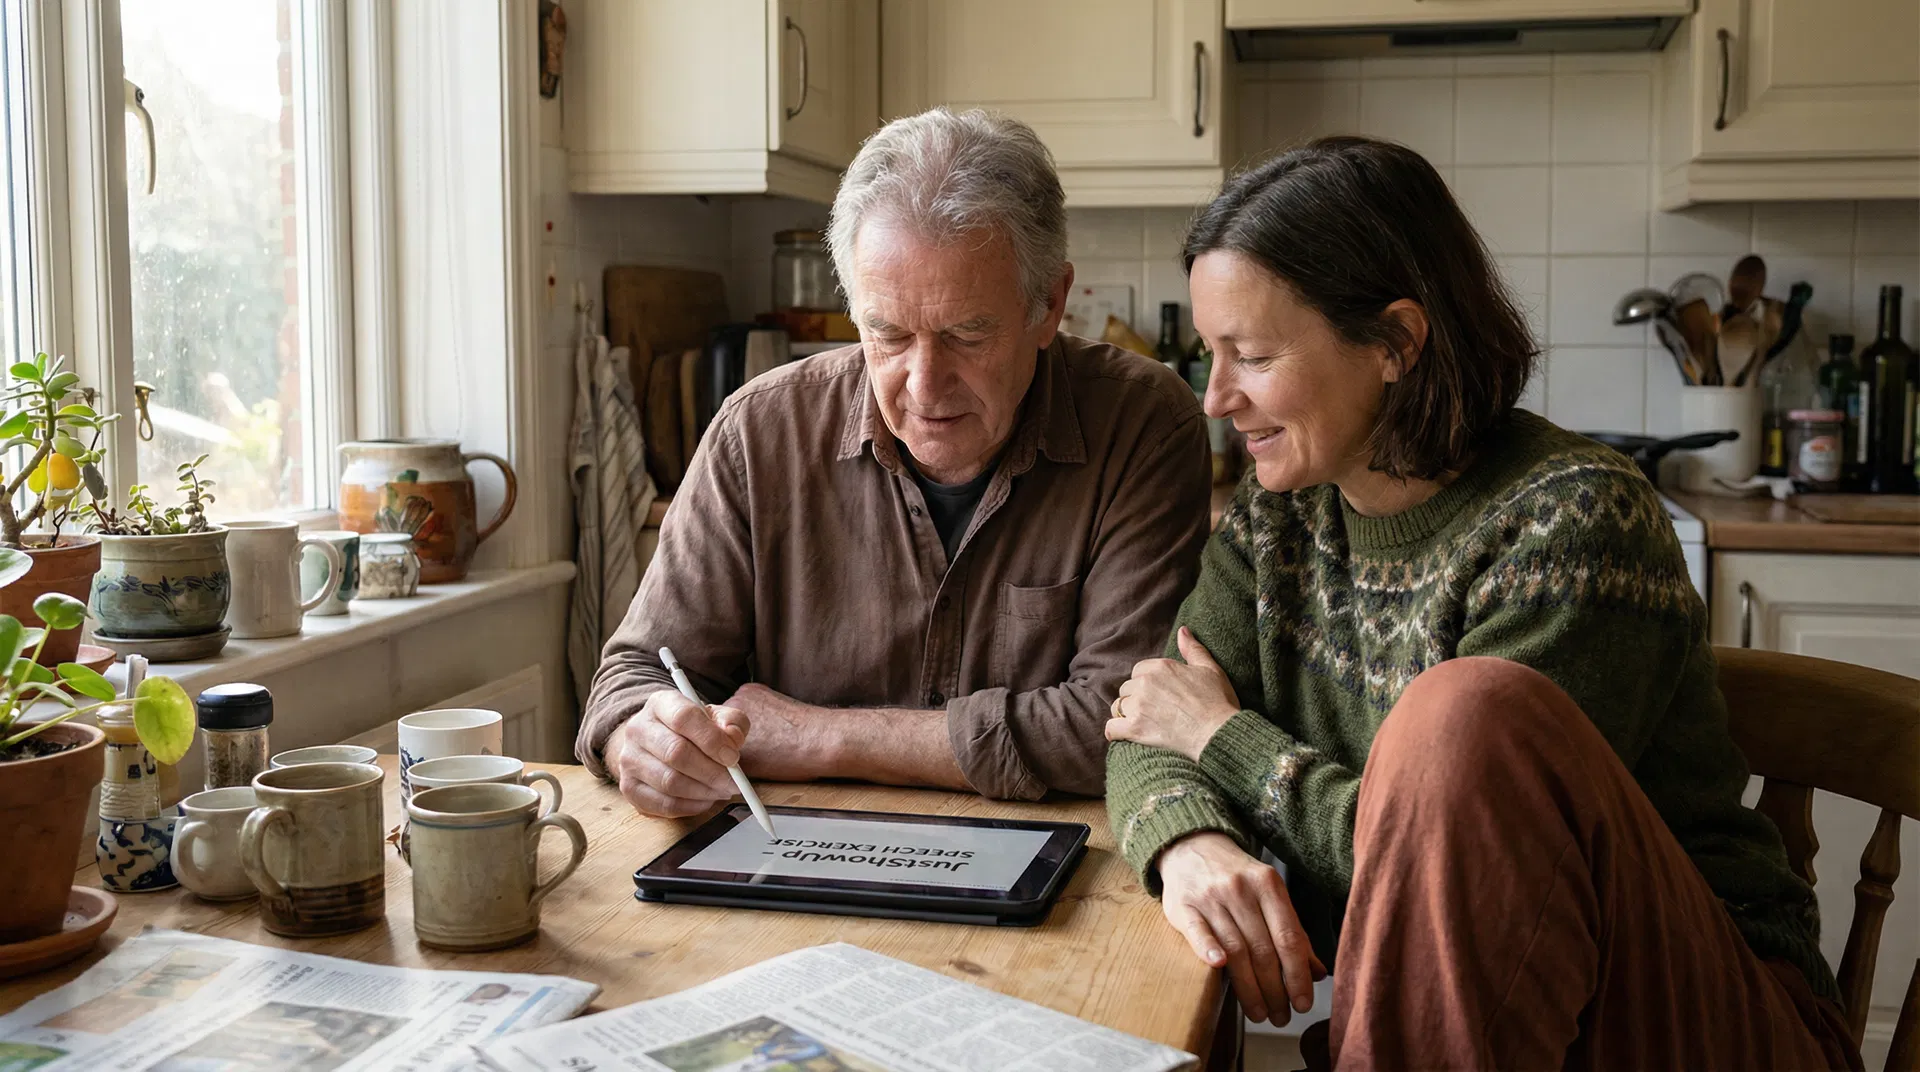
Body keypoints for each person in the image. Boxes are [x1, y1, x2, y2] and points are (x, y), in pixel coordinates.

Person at [1104, 136, 1861, 1070]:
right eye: (1211, 355)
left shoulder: (1572, 522)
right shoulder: (1279, 517)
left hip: (1707, 1018)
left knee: (1462, 713)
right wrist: (1188, 843)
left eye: (1250, 356)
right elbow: (1147, 720)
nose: (1216, 399)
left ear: (1395, 342)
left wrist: (1224, 740)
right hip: (1507, 1026)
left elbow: (1450, 874)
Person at [579, 108, 1210, 811]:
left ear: (1049, 306)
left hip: (1055, 875)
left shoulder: (1144, 424)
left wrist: (823, 738)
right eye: (888, 334)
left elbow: (1126, 723)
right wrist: (642, 738)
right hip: (792, 865)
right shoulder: (757, 434)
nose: (924, 384)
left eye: (968, 335)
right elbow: (633, 677)